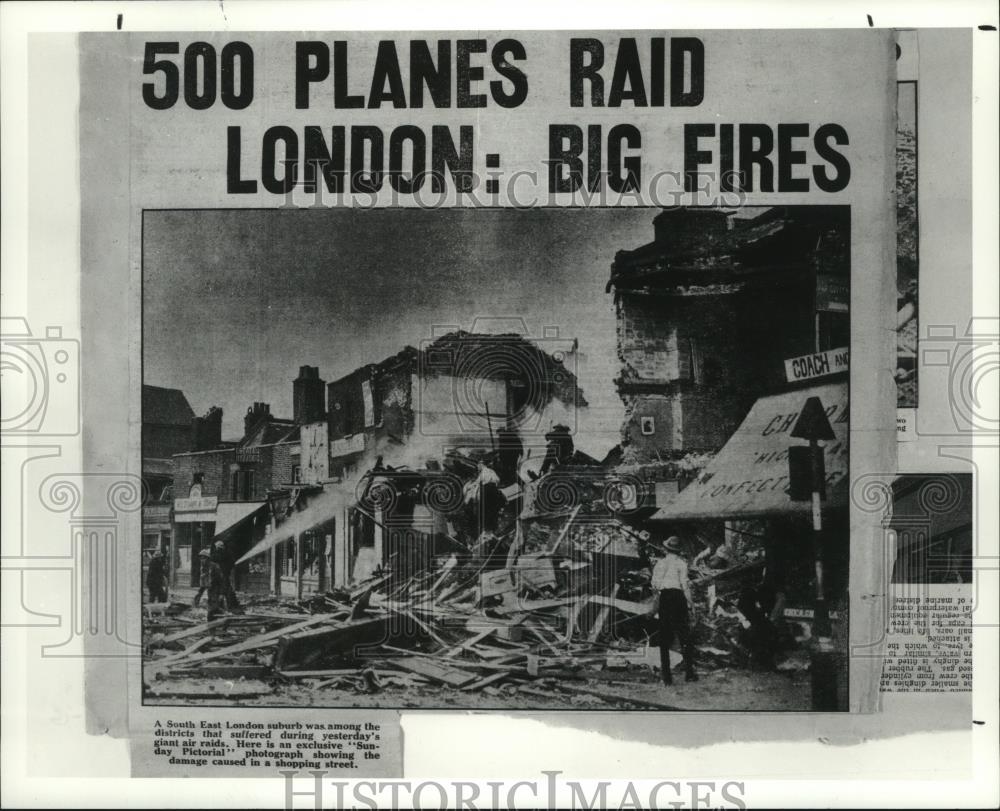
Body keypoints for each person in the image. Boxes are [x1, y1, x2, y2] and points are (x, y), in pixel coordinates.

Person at [651, 535, 697, 684]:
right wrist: (691, 604)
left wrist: (657, 601)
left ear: (666, 549)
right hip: (678, 598)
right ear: (678, 551)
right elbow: (685, 586)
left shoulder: (660, 564)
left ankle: (666, 677)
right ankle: (689, 673)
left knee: (664, 636)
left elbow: (655, 586)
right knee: (684, 635)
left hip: (665, 597)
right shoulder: (682, 563)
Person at [197, 548, 226, 621]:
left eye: (203, 558)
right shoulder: (203, 568)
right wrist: (199, 595)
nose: (202, 560)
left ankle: (212, 626)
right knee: (217, 609)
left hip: (216, 590)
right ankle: (219, 624)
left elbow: (221, 581)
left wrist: (221, 593)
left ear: (207, 559)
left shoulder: (215, 567)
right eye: (201, 558)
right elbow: (203, 583)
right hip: (210, 591)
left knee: (212, 611)